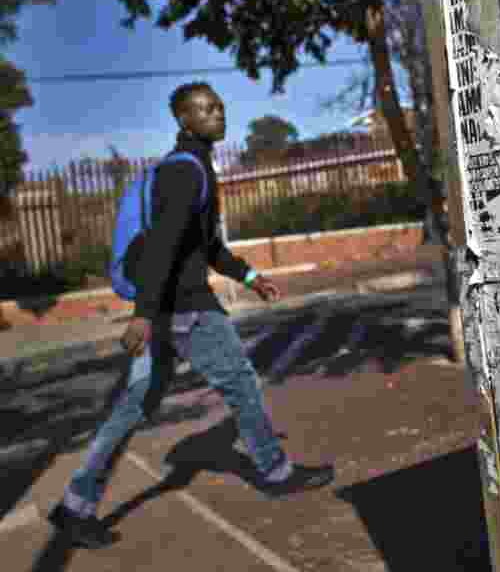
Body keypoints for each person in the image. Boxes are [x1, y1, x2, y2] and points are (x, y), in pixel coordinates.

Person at [48, 82, 335, 549]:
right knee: (240, 382)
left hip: (167, 305)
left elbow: (208, 247)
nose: (218, 113)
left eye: (219, 106)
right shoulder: (185, 171)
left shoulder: (194, 167)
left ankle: (75, 505)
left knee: (135, 403)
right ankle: (275, 471)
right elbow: (163, 246)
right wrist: (143, 315)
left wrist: (250, 277)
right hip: (185, 306)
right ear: (184, 119)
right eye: (206, 109)